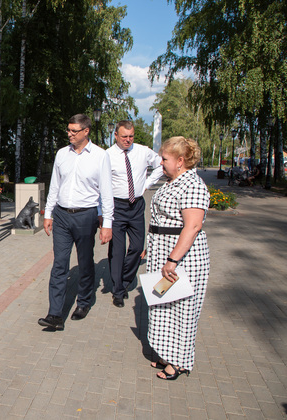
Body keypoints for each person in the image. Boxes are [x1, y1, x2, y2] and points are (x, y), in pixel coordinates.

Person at [37, 114, 114, 331]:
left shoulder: (100, 156)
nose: (69, 134)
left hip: (85, 216)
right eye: (68, 130)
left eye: (74, 131)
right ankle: (55, 314)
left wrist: (107, 224)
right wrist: (48, 213)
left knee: (85, 261)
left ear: (86, 131)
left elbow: (106, 192)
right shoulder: (62, 154)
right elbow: (55, 185)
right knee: (59, 264)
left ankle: (84, 302)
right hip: (61, 216)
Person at [145, 136, 210, 380]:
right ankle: (166, 353)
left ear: (180, 161)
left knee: (182, 309)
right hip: (164, 253)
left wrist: (172, 260)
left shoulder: (192, 184)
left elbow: (192, 226)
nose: (160, 163)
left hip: (182, 259)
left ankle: (180, 362)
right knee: (164, 304)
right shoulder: (173, 181)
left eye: (164, 159)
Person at [106, 121, 163, 308]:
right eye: (124, 136)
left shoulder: (143, 151)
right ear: (116, 135)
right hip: (116, 206)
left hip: (137, 205)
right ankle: (118, 291)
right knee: (117, 250)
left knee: (138, 247)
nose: (128, 140)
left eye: (131, 136)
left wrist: (147, 183)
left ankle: (124, 280)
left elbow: (161, 164)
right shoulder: (107, 155)